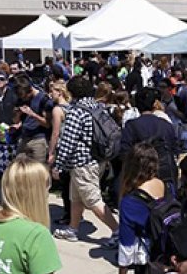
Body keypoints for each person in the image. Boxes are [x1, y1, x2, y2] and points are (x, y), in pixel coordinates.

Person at [52, 76, 119, 247]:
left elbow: (68, 141)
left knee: (93, 200)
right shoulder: (97, 107)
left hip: (83, 163)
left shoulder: (76, 112)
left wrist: (58, 165)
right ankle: (72, 229)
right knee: (76, 198)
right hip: (98, 160)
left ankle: (118, 232)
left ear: (71, 92)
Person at [117, 142, 178, 274]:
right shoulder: (166, 186)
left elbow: (126, 245)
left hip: (149, 265)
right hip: (170, 256)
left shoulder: (131, 201)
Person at [121, 87, 179, 193]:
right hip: (166, 174)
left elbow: (125, 153)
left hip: (141, 175)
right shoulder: (166, 125)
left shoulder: (131, 126)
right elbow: (175, 149)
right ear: (154, 104)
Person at [47, 80, 72, 226]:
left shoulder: (57, 110)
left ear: (60, 92)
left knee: (65, 184)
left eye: (53, 91)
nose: (50, 94)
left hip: (61, 147)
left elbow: (55, 133)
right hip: (71, 147)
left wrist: (51, 152)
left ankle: (67, 215)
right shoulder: (71, 107)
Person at [14, 75, 53, 165]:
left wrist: (32, 114)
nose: (23, 99)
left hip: (38, 140)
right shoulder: (21, 98)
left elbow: (47, 124)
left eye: (24, 97)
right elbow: (16, 121)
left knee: (39, 171)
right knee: (19, 167)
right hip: (24, 138)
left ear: (30, 90)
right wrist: (18, 114)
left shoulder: (44, 100)